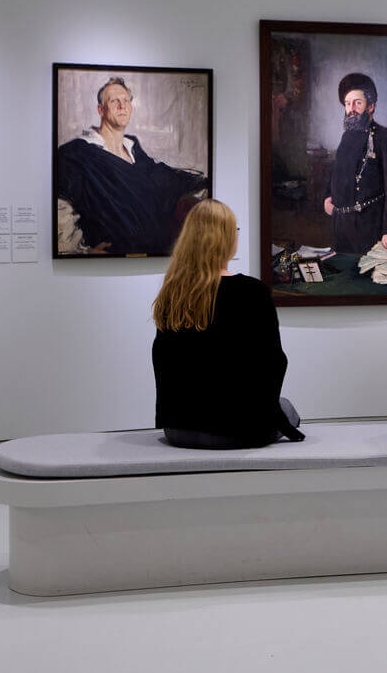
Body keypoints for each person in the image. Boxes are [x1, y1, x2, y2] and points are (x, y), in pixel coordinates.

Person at [152, 199, 304, 449]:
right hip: (237, 430)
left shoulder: (173, 293)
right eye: (235, 231)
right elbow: (273, 363)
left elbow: (163, 362)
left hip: (178, 430)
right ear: (226, 239)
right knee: (286, 407)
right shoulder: (252, 292)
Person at [55, 76, 209, 255]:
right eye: (114, 101)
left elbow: (166, 179)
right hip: (112, 259)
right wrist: (83, 252)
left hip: (155, 255)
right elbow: (61, 206)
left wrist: (204, 184)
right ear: (101, 109)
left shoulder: (135, 151)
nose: (122, 106)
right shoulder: (76, 154)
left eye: (126, 101)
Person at [322, 72, 387, 255]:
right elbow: (337, 174)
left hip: (372, 226)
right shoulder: (346, 137)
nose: (351, 109)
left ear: (371, 106)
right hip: (342, 226)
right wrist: (328, 197)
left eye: (357, 103)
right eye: (347, 103)